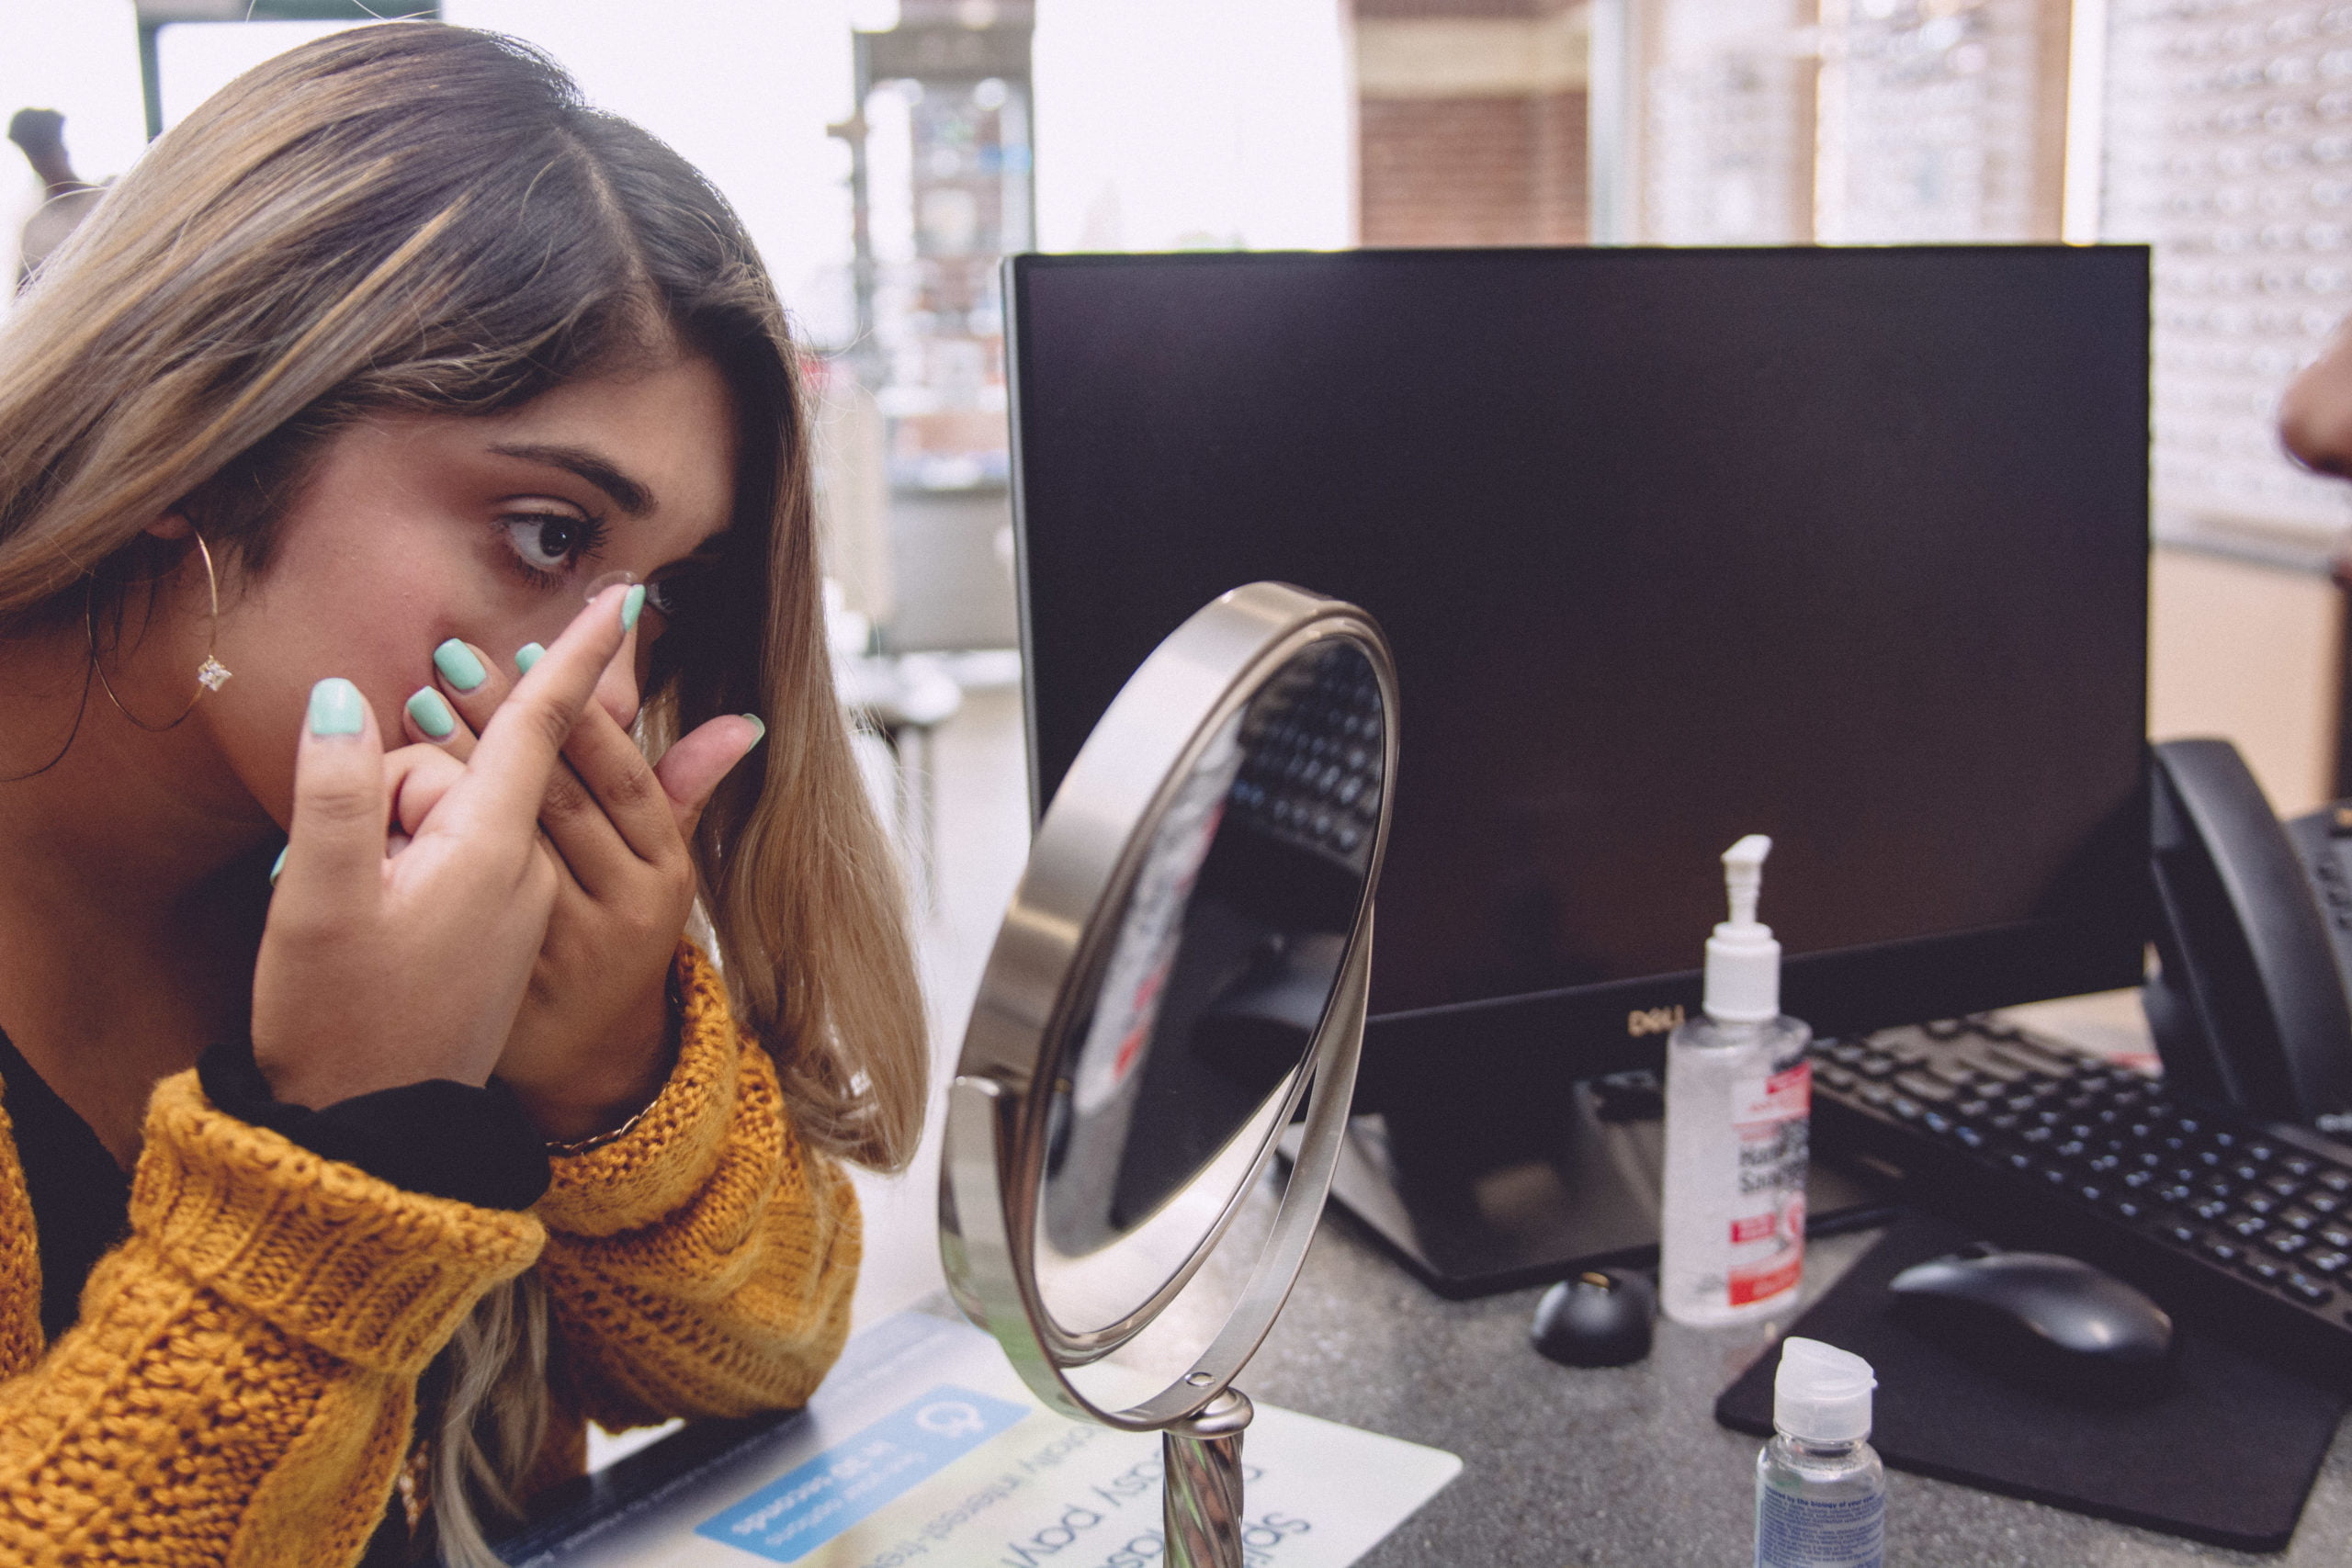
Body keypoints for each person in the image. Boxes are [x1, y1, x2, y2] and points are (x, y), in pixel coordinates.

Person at [0, 24, 926, 1568]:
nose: (605, 688)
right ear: (193, 424)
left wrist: (614, 1075)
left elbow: (779, 1351)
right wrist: (345, 1158)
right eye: (550, 535)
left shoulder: (385, 856)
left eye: (662, 598)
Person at [6, 108, 102, 288]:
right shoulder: (35, 230)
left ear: (63, 151)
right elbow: (25, 296)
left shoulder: (105, 199)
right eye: (39, 160)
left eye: (50, 154)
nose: (48, 166)